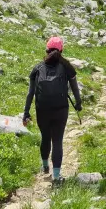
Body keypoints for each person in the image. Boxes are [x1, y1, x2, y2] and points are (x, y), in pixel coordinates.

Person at [23, 36, 82, 184]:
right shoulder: (67, 67)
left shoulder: (37, 68)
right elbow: (75, 88)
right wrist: (78, 104)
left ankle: (44, 166)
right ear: (61, 50)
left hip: (42, 109)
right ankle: (56, 176)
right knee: (57, 140)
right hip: (60, 109)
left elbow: (31, 93)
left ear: (47, 50)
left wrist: (26, 112)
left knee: (45, 137)